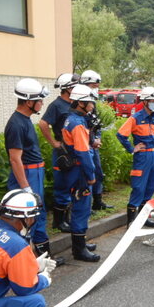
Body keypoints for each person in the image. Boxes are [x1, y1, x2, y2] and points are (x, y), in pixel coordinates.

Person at [5, 78, 64, 264]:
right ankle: (26, 262)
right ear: (29, 101)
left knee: (38, 214)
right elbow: (15, 158)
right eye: (39, 100)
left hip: (34, 173)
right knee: (26, 218)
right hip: (27, 175)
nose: (42, 103)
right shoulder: (16, 124)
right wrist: (25, 187)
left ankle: (43, 258)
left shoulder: (25, 120)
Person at [62, 84, 100, 262]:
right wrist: (91, 176)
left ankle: (81, 242)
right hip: (80, 172)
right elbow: (83, 153)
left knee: (81, 206)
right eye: (89, 103)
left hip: (76, 170)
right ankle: (79, 250)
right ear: (80, 104)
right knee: (82, 208)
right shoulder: (77, 124)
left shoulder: (74, 119)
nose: (92, 106)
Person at [117, 87, 154, 228]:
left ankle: (143, 218)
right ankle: (131, 222)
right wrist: (132, 148)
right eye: (152, 100)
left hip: (153, 155)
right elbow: (121, 134)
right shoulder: (136, 118)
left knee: (150, 187)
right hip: (142, 157)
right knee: (138, 187)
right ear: (144, 102)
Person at [38, 72, 79, 234]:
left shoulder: (75, 104)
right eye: (74, 85)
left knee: (71, 186)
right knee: (62, 186)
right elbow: (43, 123)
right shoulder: (57, 105)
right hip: (63, 152)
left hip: (75, 150)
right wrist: (54, 143)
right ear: (67, 88)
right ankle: (58, 221)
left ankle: (66, 218)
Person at [80, 70, 113, 211]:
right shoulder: (80, 103)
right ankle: (85, 205)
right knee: (86, 174)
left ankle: (97, 201)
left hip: (94, 145)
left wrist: (97, 138)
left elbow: (95, 124)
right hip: (84, 146)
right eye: (93, 85)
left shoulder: (92, 102)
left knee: (97, 172)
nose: (96, 88)